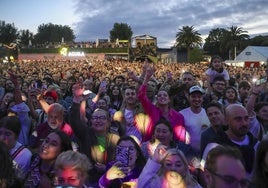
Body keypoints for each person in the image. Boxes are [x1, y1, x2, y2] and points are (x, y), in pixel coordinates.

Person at [69, 83, 120, 186]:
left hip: (109, 180)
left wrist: (106, 168)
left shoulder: (115, 138)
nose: (98, 121)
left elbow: (119, 161)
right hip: (88, 180)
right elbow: (74, 121)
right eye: (95, 118)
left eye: (102, 118)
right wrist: (76, 100)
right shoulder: (86, 133)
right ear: (91, 121)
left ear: (108, 122)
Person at [202, 104, 259, 175]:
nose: (244, 123)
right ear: (226, 121)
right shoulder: (214, 147)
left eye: (246, 118)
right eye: (238, 119)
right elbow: (204, 173)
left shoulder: (257, 145)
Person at [138, 65, 186, 143]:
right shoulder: (151, 110)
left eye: (165, 95)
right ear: (156, 99)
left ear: (169, 100)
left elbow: (181, 137)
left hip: (171, 149)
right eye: (159, 95)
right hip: (151, 147)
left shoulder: (179, 116)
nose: (162, 97)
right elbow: (141, 96)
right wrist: (146, 78)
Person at [179, 85, 210, 154]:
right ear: (189, 98)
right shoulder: (181, 114)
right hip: (188, 153)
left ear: (202, 99)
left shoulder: (208, 113)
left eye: (199, 97)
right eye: (193, 96)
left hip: (205, 152)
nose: (196, 99)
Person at [0, 116, 32, 180]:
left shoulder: (25, 155)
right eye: (0, 133)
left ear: (16, 136)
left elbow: (19, 181)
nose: (1, 138)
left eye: (7, 134)